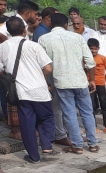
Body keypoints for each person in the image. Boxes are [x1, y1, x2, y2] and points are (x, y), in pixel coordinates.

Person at [39, 13, 99, 154]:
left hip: (61, 81)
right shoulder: (77, 37)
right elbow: (90, 62)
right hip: (80, 80)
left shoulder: (44, 39)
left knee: (70, 114)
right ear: (67, 24)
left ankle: (77, 145)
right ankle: (93, 144)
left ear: (50, 23)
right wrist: (92, 80)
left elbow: (42, 64)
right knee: (87, 112)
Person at [0, 17, 55, 163]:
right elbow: (48, 68)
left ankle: (33, 156)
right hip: (39, 90)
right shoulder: (33, 46)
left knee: (27, 124)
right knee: (47, 117)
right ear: (24, 30)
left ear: (9, 31)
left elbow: (1, 69)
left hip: (20, 91)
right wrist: (42, 78)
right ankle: (47, 145)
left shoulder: (3, 47)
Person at [87, 38, 106, 134]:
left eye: (95, 49)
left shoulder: (103, 58)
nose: (93, 51)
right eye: (91, 48)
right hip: (90, 85)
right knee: (91, 106)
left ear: (98, 48)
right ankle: (93, 126)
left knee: (104, 105)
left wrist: (103, 81)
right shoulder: (85, 59)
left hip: (101, 84)